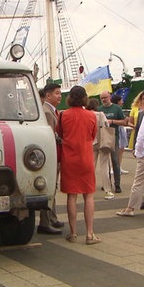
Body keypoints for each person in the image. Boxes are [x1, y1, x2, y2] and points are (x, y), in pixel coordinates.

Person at [58, 86, 100, 244]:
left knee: (72, 195)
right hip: (86, 158)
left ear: (69, 98)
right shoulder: (91, 115)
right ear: (84, 98)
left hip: (69, 159)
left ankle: (73, 232)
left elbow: (60, 134)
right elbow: (93, 135)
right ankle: (90, 234)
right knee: (89, 194)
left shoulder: (63, 115)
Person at [37, 82, 65, 235]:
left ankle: (52, 218)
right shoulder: (47, 112)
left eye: (60, 93)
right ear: (48, 95)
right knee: (50, 188)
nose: (59, 96)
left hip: (55, 154)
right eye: (56, 93)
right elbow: (50, 136)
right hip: (51, 155)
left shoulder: (52, 110)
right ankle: (45, 221)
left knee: (53, 188)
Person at [98, 91, 126, 193]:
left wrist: (112, 121)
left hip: (114, 137)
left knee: (115, 161)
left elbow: (124, 122)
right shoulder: (99, 110)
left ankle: (117, 184)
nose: (104, 100)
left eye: (105, 97)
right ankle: (107, 183)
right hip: (103, 137)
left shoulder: (116, 108)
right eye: (102, 98)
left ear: (109, 97)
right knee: (105, 162)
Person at [87, 98, 114, 200]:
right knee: (104, 167)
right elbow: (106, 125)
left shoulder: (86, 114)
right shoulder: (100, 114)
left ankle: (88, 187)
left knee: (91, 166)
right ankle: (108, 190)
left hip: (91, 142)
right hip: (103, 142)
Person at [111, 95, 129, 174]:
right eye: (121, 100)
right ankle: (113, 167)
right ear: (118, 101)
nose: (123, 102)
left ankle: (119, 166)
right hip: (118, 129)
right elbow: (123, 120)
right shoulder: (116, 109)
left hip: (121, 129)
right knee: (116, 149)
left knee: (121, 149)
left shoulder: (119, 109)